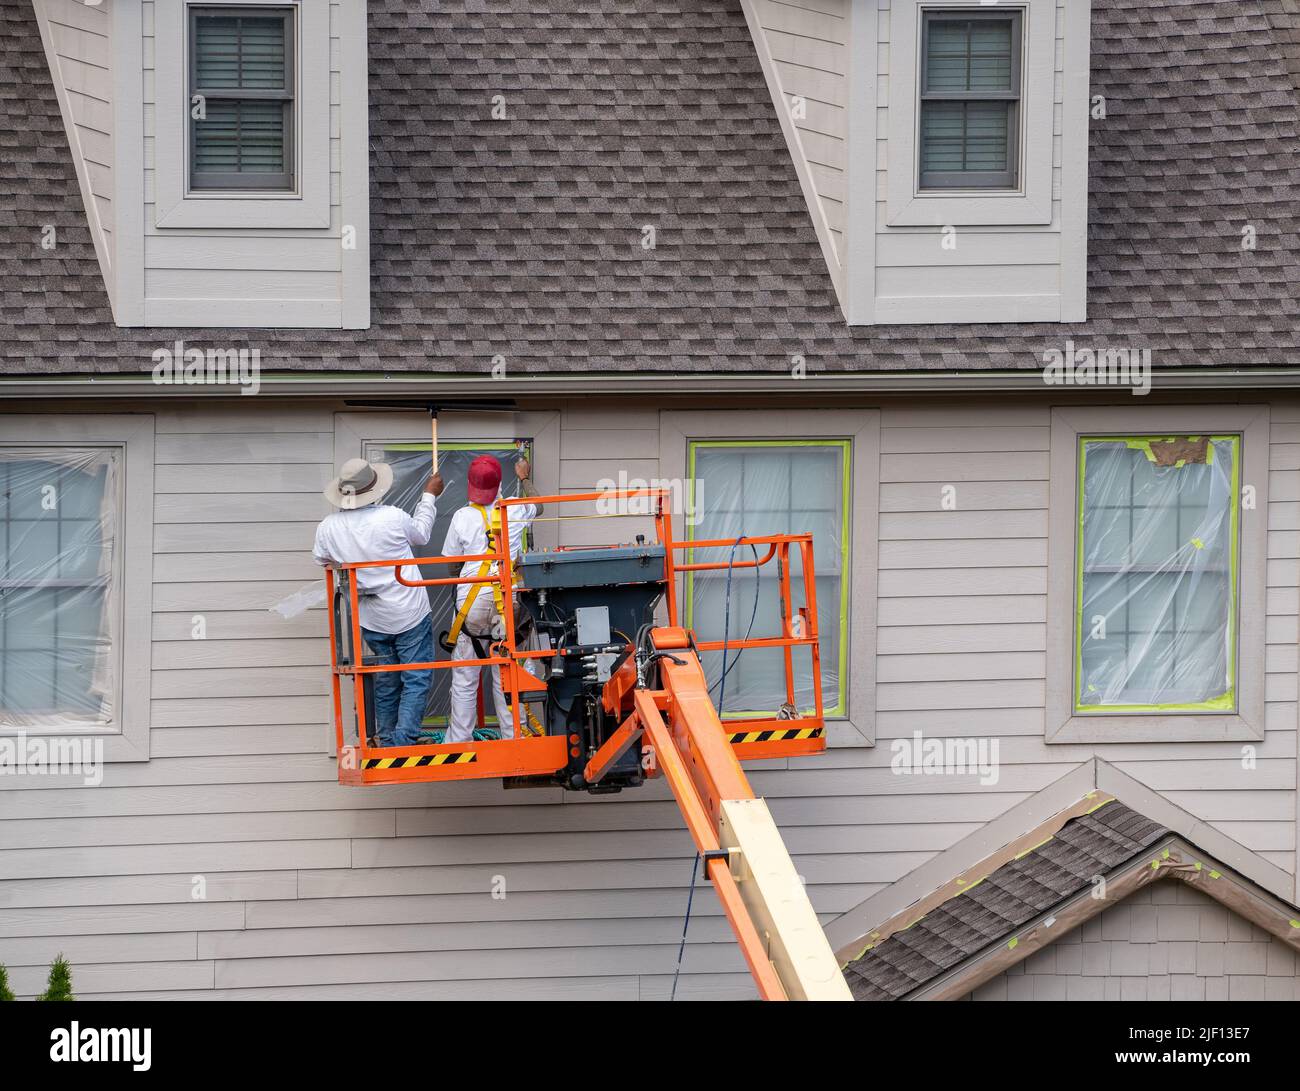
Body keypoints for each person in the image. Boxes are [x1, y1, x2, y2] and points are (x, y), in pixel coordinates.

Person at [313, 457, 444, 747]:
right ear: (374, 488)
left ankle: (387, 738)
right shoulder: (391, 517)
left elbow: (321, 559)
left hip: (369, 614)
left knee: (385, 678)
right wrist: (429, 496)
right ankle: (404, 739)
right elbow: (421, 534)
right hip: (408, 610)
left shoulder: (328, 527)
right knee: (416, 678)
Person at [441, 455, 541, 743]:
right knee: (508, 673)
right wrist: (524, 477)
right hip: (508, 601)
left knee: (465, 675)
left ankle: (459, 740)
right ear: (499, 483)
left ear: (470, 485)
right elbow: (540, 503)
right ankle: (515, 737)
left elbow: (452, 566)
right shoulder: (515, 508)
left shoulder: (462, 516)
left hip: (471, 603)